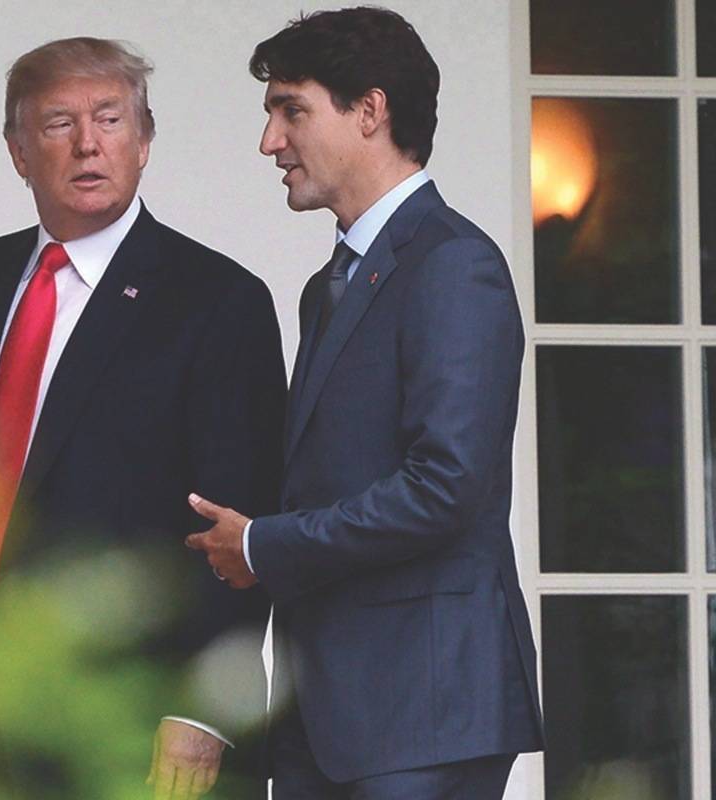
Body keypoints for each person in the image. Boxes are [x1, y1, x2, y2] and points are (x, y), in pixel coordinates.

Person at [0, 37, 285, 799]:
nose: (89, 143)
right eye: (58, 124)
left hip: (126, 721)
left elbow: (246, 521)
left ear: (144, 141)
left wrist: (202, 710)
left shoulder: (219, 302)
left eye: (110, 120)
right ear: (19, 152)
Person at [184, 8, 544, 799]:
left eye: (292, 109)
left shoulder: (455, 265)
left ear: (371, 111)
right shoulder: (331, 285)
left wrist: (264, 546)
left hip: (424, 710)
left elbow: (445, 487)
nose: (270, 141)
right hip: (329, 714)